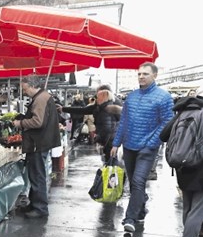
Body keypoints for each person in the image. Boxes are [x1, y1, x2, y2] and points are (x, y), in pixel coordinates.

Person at [111, 62, 174, 233]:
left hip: (147, 148)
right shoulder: (131, 97)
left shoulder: (164, 97)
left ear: (155, 75)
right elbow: (123, 122)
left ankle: (130, 218)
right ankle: (140, 208)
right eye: (139, 74)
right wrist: (116, 143)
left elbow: (167, 122)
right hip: (129, 145)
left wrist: (152, 143)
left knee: (138, 181)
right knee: (134, 183)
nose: (141, 76)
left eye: (145, 74)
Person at [159, 87, 203, 237]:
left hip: (182, 166)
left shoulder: (183, 111)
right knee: (199, 208)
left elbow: (163, 136)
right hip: (200, 166)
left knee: (189, 206)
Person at [12, 75, 61, 218]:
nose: (24, 91)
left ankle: (40, 208)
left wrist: (19, 123)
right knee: (35, 174)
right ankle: (34, 204)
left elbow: (38, 122)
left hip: (38, 143)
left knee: (37, 175)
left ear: (32, 85)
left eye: (25, 88)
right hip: (40, 142)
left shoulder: (40, 99)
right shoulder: (43, 97)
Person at [58, 85, 122, 161]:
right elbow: (84, 110)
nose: (96, 97)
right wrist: (64, 109)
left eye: (98, 95)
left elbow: (108, 127)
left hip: (110, 140)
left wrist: (101, 138)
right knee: (108, 160)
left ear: (105, 94)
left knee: (111, 160)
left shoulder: (110, 106)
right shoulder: (101, 105)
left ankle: (111, 171)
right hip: (108, 139)